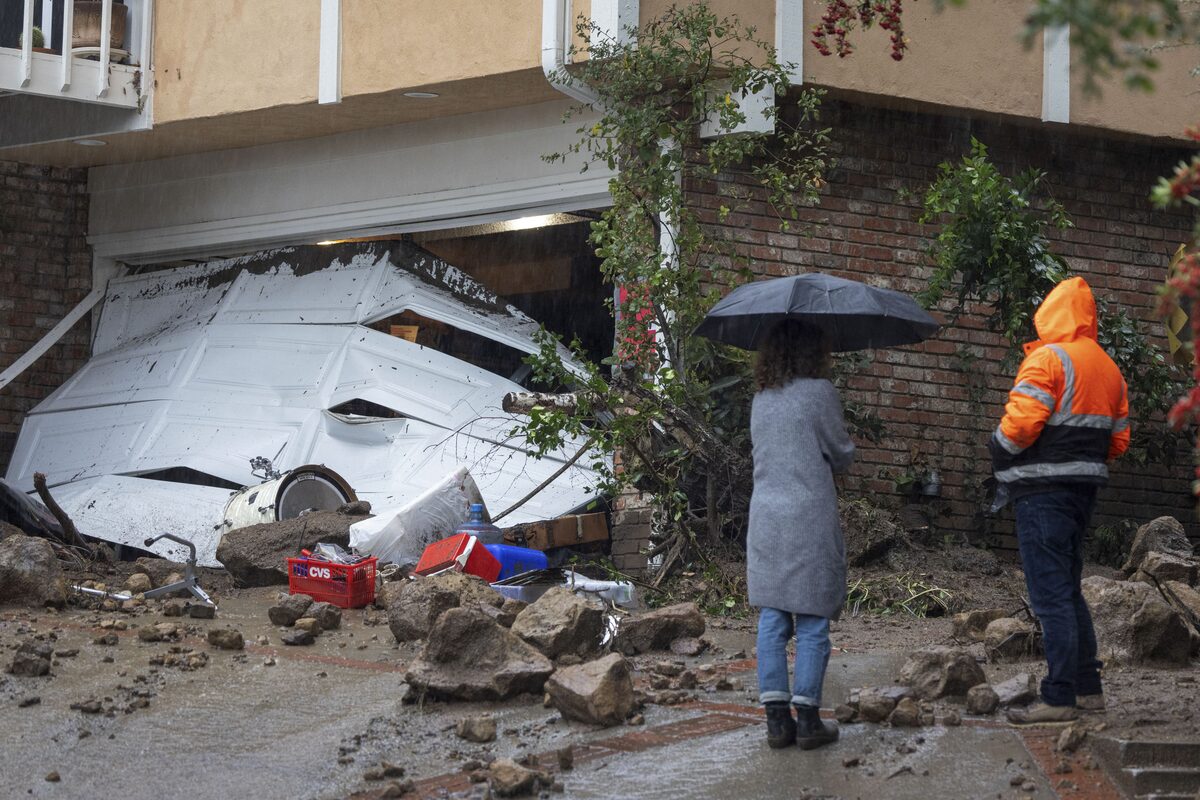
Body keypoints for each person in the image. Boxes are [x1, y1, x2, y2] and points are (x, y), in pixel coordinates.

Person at [988, 276, 1129, 725]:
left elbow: (1021, 425)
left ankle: (1059, 697)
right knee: (1068, 590)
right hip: (1082, 493)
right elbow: (1118, 441)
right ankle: (1088, 689)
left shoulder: (1049, 358)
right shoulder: (1108, 368)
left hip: (1041, 494)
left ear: (1051, 311)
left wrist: (998, 449)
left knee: (1050, 596)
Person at [747, 318, 855, 749]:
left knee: (772, 618)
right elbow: (841, 454)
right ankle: (808, 720)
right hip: (808, 516)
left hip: (767, 519)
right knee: (812, 619)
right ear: (814, 351)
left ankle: (777, 723)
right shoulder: (819, 393)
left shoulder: (760, 399)